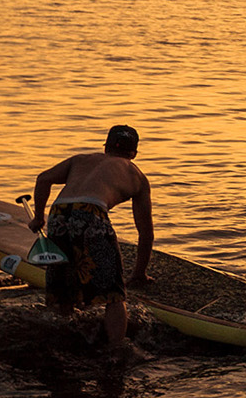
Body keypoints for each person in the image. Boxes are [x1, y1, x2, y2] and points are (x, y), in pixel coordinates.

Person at [28, 124, 154, 351]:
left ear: (105, 147)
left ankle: (59, 336)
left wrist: (38, 217)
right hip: (91, 214)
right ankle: (117, 350)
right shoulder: (136, 175)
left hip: (58, 213)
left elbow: (43, 178)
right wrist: (139, 273)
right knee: (114, 296)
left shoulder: (80, 159)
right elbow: (145, 232)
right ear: (134, 153)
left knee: (62, 291)